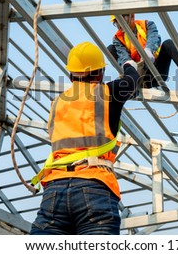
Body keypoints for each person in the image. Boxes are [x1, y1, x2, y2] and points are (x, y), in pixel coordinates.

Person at [30, 41, 139, 235]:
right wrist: (128, 63)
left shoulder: (57, 103)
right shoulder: (108, 92)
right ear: (99, 74)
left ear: (71, 74)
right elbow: (133, 79)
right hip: (94, 185)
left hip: (54, 190)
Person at [107, 13, 178, 93]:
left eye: (120, 20)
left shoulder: (147, 25)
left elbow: (154, 38)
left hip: (156, 71)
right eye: (116, 22)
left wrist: (149, 50)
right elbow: (122, 55)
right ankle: (131, 82)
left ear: (131, 16)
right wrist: (129, 68)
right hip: (136, 75)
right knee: (110, 49)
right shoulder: (118, 38)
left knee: (168, 44)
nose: (119, 24)